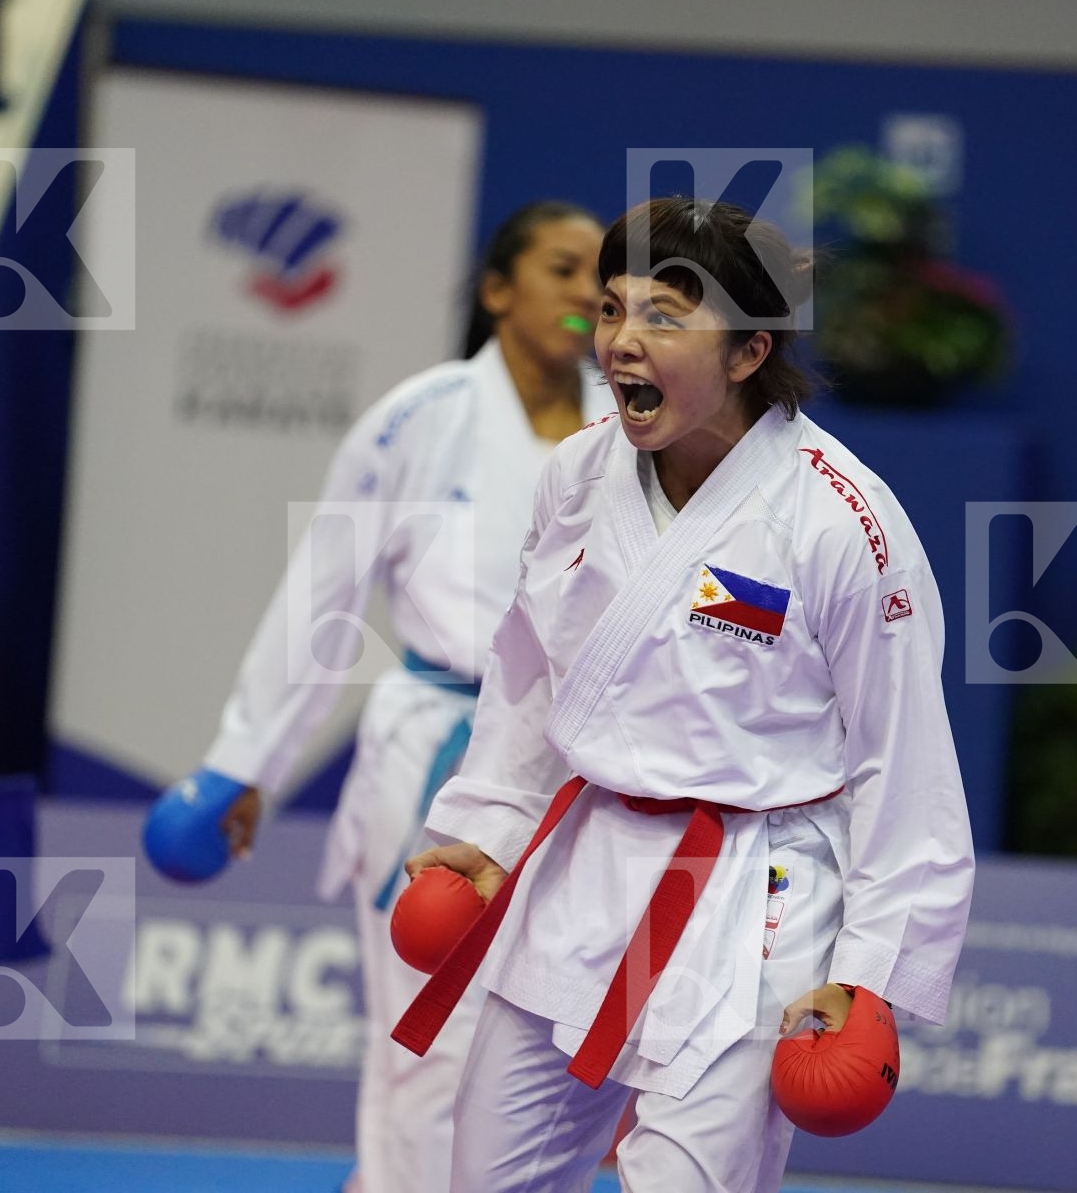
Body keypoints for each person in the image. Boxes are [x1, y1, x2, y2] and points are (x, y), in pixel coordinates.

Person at [400, 197, 976, 1192]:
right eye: (611, 308)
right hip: (584, 870)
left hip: (755, 897)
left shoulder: (842, 522)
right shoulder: (577, 476)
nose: (619, 341)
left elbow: (903, 761)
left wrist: (868, 972)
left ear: (748, 354)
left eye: (663, 316)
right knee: (484, 1178)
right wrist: (489, 826)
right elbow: (532, 675)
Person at [190, 201, 614, 1193]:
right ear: (498, 289)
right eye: (562, 270)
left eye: (602, 276)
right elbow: (322, 594)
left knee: (551, 1049)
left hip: (583, 772)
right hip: (441, 747)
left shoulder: (630, 423)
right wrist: (246, 761)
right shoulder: (421, 418)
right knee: (426, 1038)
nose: (588, 296)